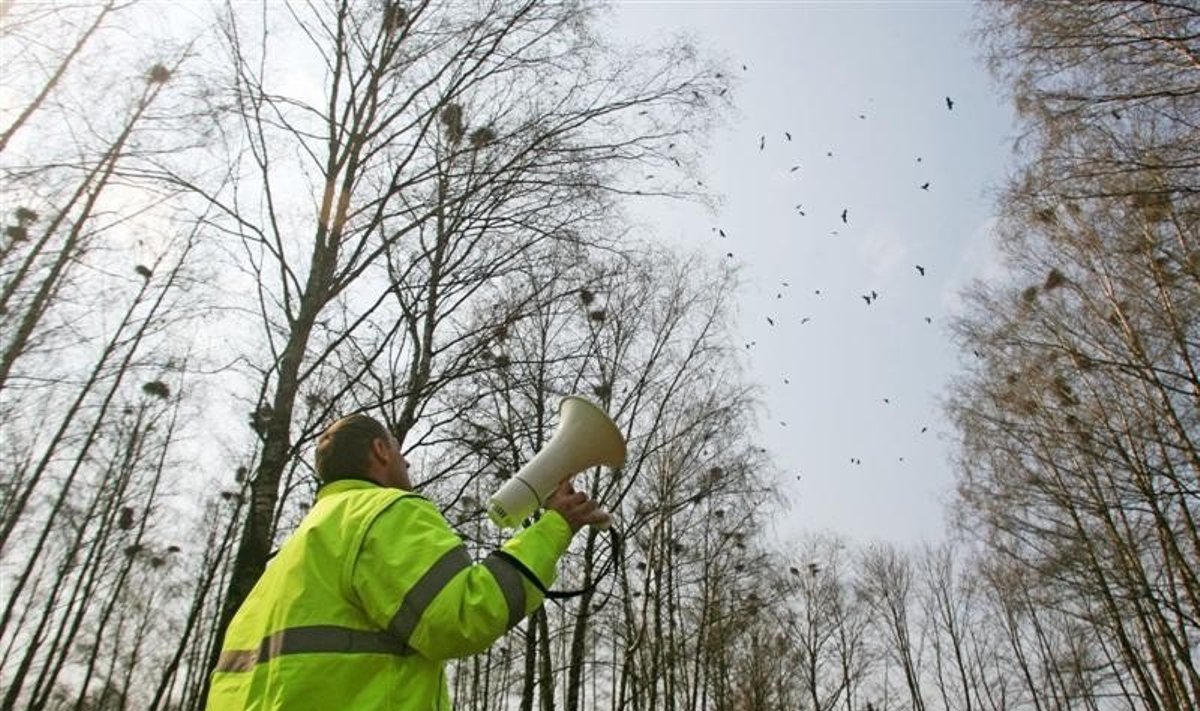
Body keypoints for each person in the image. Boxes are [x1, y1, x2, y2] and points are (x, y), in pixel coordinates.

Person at [206, 413, 609, 710]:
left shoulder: (288, 558)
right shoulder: (385, 511)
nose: (408, 464)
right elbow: (462, 615)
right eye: (399, 451)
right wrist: (555, 527)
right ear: (381, 451)